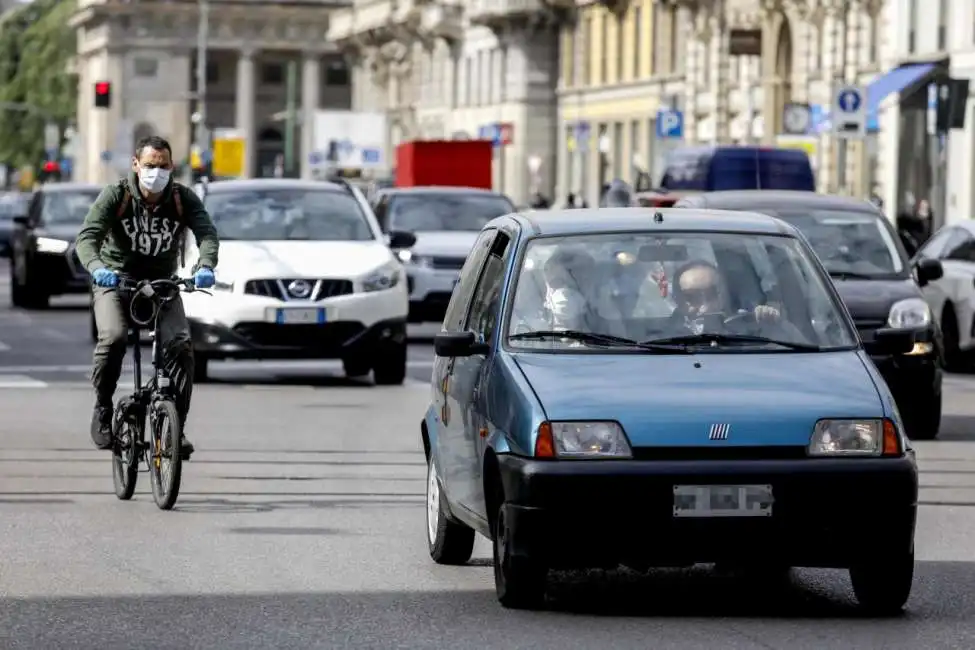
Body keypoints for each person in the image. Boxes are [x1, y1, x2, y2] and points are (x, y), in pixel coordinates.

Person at [75, 135, 220, 455]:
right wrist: (97, 267)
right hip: (116, 281)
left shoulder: (182, 198)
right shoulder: (116, 195)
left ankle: (176, 428)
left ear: (172, 167)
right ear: (136, 165)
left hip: (162, 284)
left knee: (180, 344)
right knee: (113, 338)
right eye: (151, 165)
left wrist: (206, 264)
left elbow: (207, 233)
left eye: (164, 166)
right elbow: (87, 238)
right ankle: (102, 406)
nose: (157, 172)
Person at [669, 260, 784, 335]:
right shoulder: (658, 338)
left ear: (723, 295)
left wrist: (770, 322)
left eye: (712, 295)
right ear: (677, 300)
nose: (705, 307)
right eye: (691, 297)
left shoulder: (749, 327)